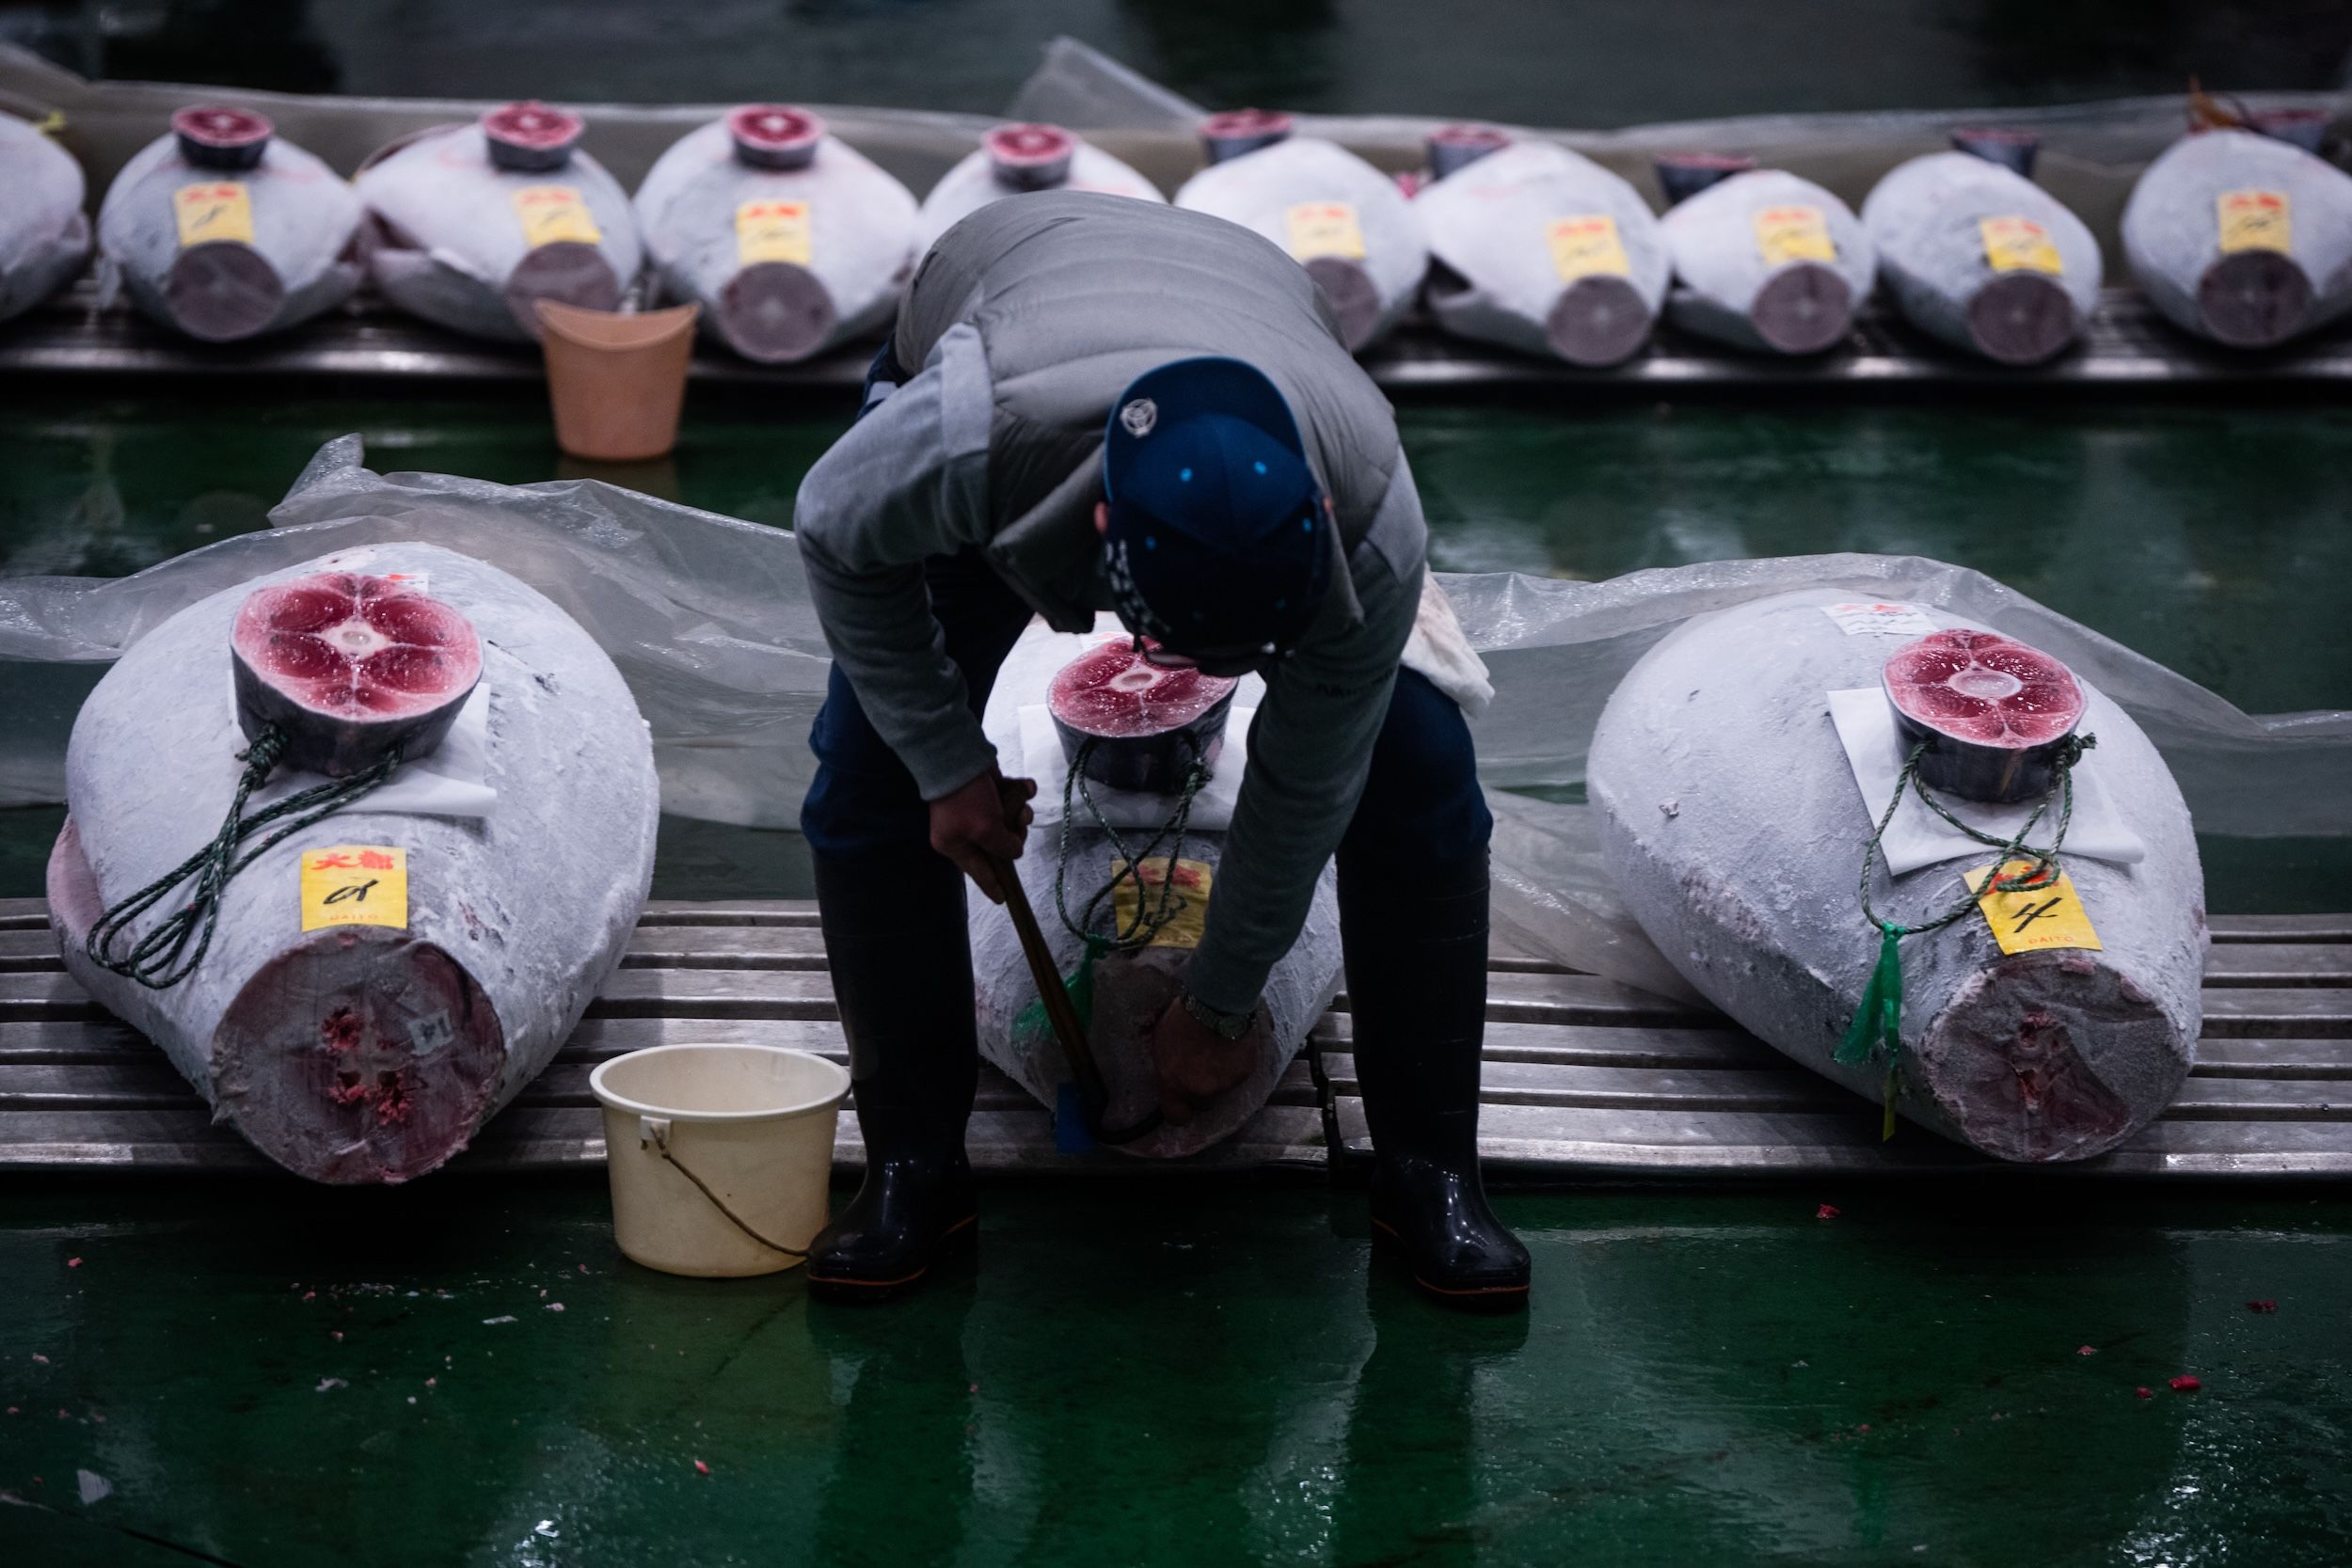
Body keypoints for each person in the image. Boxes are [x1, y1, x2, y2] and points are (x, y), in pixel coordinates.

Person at [793, 190, 1529, 1310]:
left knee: (1423, 784)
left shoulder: (1370, 516)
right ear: (1099, 537)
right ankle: (912, 1167)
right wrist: (943, 762)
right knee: (864, 788)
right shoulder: (965, 437)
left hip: (1252, 305)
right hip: (1011, 309)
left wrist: (1220, 1004)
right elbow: (837, 537)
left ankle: (1429, 1170)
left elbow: (1307, 779)